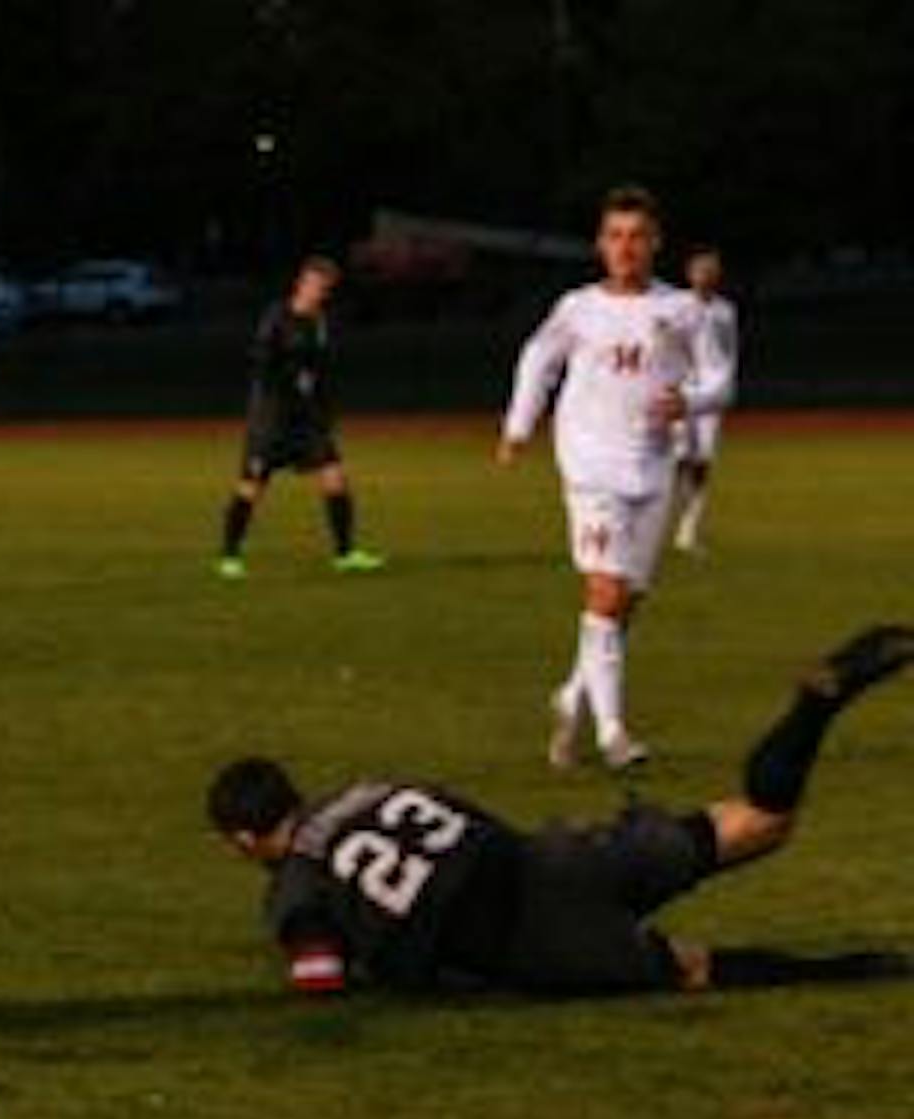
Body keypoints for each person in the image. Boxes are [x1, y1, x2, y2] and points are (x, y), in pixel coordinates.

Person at [207, 625, 913, 997]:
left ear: (244, 838)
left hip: (530, 935)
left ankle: (862, 969)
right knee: (759, 819)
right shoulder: (368, 787)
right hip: (552, 854)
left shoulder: (294, 886)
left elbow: (320, 977)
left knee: (687, 967)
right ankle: (812, 709)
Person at [499, 186, 734, 770]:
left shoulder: (683, 310)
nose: (625, 247)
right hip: (589, 466)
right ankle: (612, 734)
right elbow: (537, 358)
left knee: (625, 604)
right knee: (604, 592)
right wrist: (519, 424)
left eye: (636, 237)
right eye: (615, 237)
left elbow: (721, 380)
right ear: (600, 245)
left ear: (655, 244)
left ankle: (572, 699)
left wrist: (693, 401)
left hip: (653, 467)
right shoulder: (578, 308)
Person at [216, 256, 386, 579]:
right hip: (272, 422)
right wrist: (288, 378)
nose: (318, 292)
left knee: (336, 479)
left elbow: (321, 372)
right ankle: (229, 556)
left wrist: (324, 408)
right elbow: (263, 363)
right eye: (314, 284)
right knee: (251, 487)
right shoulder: (277, 317)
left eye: (325, 288)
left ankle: (345, 554)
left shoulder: (320, 323)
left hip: (306, 423)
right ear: (301, 283)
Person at [670, 245, 741, 555]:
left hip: (710, 396)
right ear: (689, 274)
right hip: (682, 390)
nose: (706, 275)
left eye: (711, 270)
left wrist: (726, 386)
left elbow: (729, 352)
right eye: (701, 269)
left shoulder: (726, 311)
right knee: (676, 458)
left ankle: (689, 530)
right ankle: (653, 523)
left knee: (702, 463)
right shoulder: (676, 306)